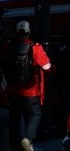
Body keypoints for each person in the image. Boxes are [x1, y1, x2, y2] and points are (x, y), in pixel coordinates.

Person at [5, 21, 52, 151]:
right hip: (31, 91)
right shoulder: (35, 47)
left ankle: (15, 147)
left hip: (13, 90)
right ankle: (27, 139)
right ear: (29, 31)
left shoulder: (8, 47)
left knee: (14, 119)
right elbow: (47, 67)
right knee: (35, 115)